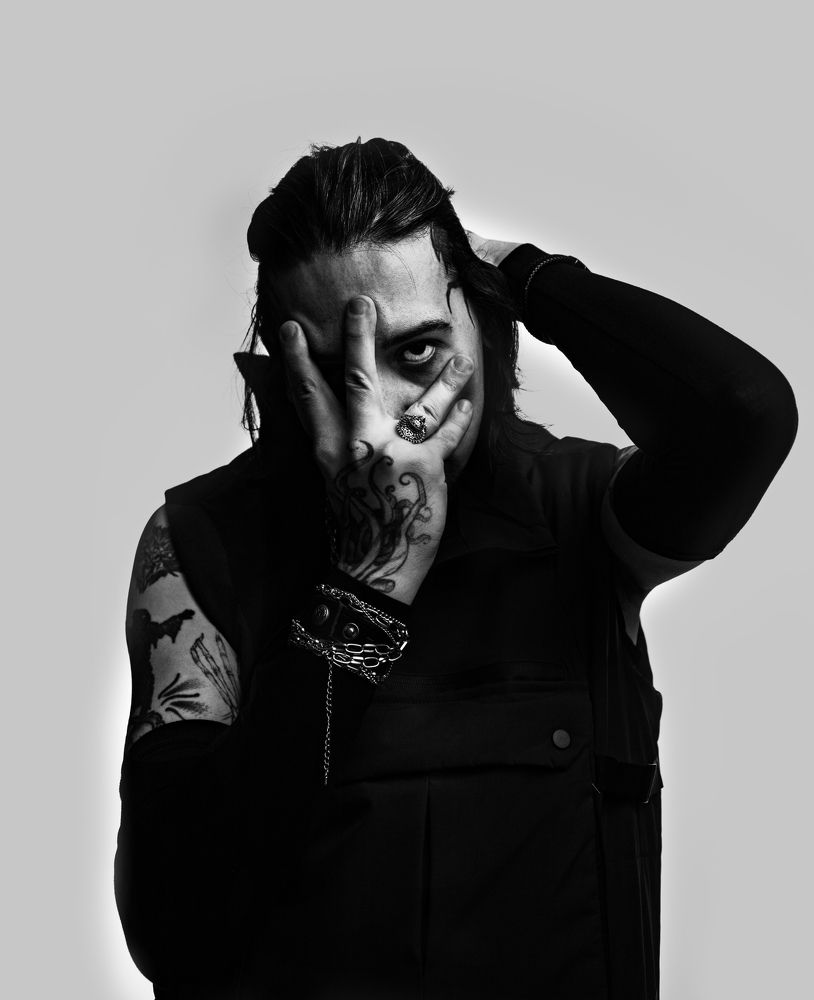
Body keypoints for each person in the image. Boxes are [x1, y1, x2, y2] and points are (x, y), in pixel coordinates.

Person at [114, 137, 798, 1000]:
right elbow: (174, 925)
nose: (379, 415)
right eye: (331, 367)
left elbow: (743, 414)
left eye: (417, 353)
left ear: (486, 332)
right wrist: (372, 577)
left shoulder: (581, 512)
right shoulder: (199, 541)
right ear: (284, 376)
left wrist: (528, 275)